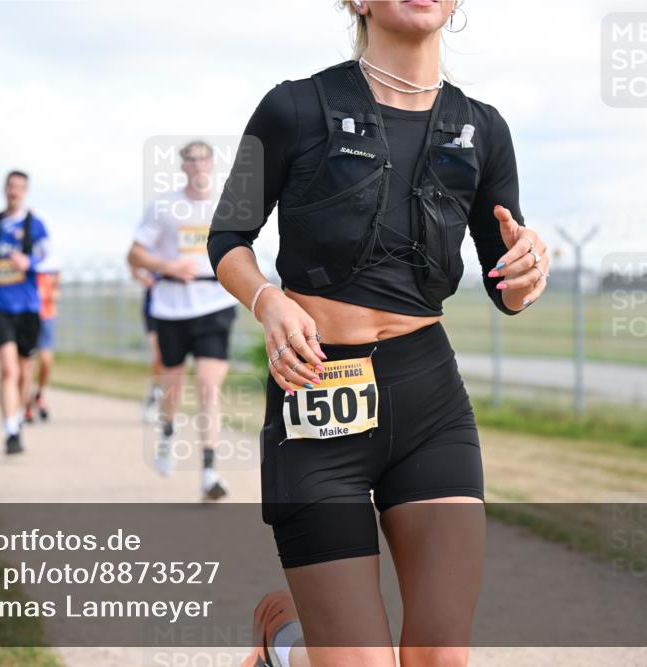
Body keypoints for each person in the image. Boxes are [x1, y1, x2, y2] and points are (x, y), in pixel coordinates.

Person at [208, 2, 551, 665]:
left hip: (428, 396)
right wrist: (267, 301)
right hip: (314, 389)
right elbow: (228, 237)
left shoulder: (484, 129)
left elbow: (504, 281)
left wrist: (526, 269)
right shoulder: (292, 108)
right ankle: (287, 646)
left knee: (440, 654)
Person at [127, 139, 237, 502]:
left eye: (204, 159)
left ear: (212, 164)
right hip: (172, 305)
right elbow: (135, 254)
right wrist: (167, 266)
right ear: (182, 166)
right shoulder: (164, 207)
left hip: (214, 303)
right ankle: (168, 432)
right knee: (171, 388)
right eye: (190, 160)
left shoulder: (228, 204)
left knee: (208, 386)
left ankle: (209, 471)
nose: (198, 166)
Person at [0, 170, 50, 455]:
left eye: (19, 187)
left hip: (28, 305)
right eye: (10, 186)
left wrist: (29, 262)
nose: (14, 191)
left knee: (24, 370)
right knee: (8, 369)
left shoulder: (36, 225)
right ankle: (11, 430)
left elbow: (49, 257)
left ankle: (19, 412)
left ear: (25, 191)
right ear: (4, 189)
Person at [25, 255, 60, 422]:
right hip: (26, 314)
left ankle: (38, 395)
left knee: (46, 361)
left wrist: (54, 291)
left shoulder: (49, 260)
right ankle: (25, 403)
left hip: (46, 315)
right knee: (28, 363)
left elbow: (56, 285)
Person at [134, 270, 164, 424]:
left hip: (182, 309)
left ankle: (165, 399)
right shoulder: (151, 248)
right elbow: (134, 266)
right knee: (160, 355)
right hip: (154, 309)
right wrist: (143, 277)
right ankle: (154, 397)